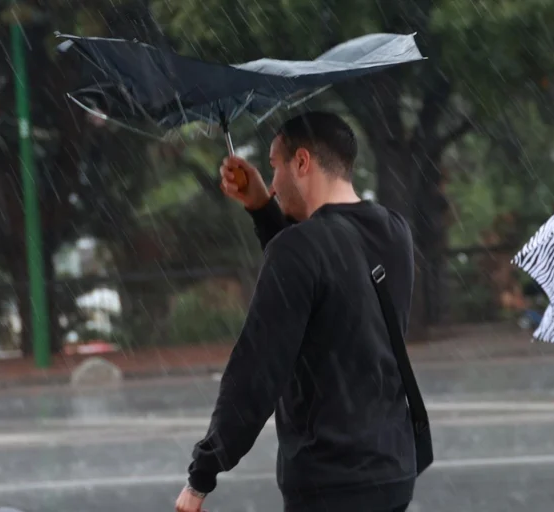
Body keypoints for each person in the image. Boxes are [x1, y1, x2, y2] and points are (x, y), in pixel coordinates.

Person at [175, 111, 423, 512]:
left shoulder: (298, 250)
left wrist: (202, 475)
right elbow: (325, 276)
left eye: (274, 166)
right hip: (392, 469)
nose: (271, 184)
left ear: (302, 162)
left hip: (328, 480)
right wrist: (261, 208)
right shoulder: (395, 230)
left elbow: (255, 372)